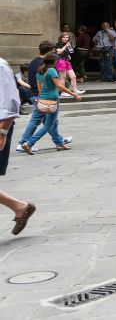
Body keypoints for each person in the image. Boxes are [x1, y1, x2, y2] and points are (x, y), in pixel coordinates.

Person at [0, 57, 36, 235]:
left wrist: (2, 132)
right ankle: (20, 207)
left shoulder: (0, 66)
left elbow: (11, 102)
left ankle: (20, 207)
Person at [20, 51, 82, 154]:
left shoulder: (39, 72)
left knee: (52, 123)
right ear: (55, 61)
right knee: (49, 125)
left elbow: (39, 89)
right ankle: (29, 143)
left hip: (41, 100)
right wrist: (74, 94)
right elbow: (59, 86)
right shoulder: (52, 70)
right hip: (52, 100)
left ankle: (59, 143)